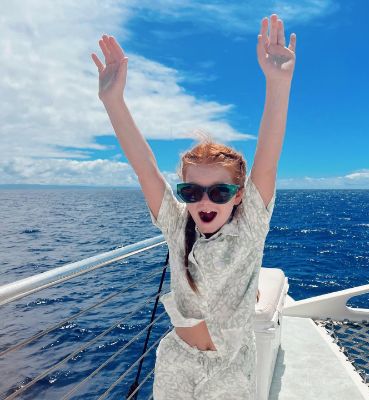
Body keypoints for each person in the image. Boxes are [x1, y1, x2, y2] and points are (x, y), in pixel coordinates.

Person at [92, 13, 296, 400]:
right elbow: (145, 168)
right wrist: (113, 101)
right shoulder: (176, 225)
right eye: (191, 191)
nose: (204, 201)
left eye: (219, 192)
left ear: (238, 195)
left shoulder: (250, 226)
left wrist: (278, 83)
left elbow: (267, 162)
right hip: (177, 363)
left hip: (230, 369)